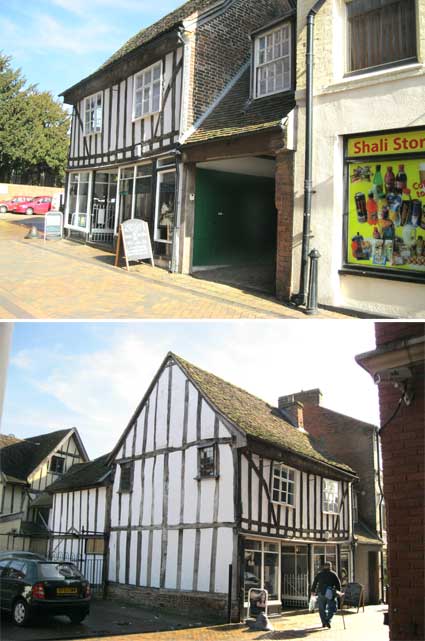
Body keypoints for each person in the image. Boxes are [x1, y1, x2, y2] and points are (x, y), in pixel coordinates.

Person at [311, 561, 341, 629]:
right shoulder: (333, 574)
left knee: (321, 609)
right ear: (330, 567)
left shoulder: (320, 574)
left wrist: (313, 591)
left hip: (321, 592)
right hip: (329, 592)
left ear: (323, 566)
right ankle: (327, 620)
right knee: (332, 608)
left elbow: (315, 582)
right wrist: (338, 592)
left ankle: (324, 622)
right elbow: (338, 584)